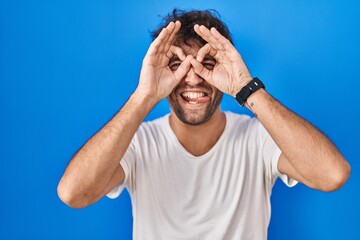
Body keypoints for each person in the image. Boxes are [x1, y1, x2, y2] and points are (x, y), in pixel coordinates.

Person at [57, 9, 351, 240]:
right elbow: (73, 193)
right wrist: (143, 97)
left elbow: (332, 175)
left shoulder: (257, 138)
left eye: (206, 64)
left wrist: (246, 88)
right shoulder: (138, 142)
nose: (193, 77)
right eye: (177, 65)